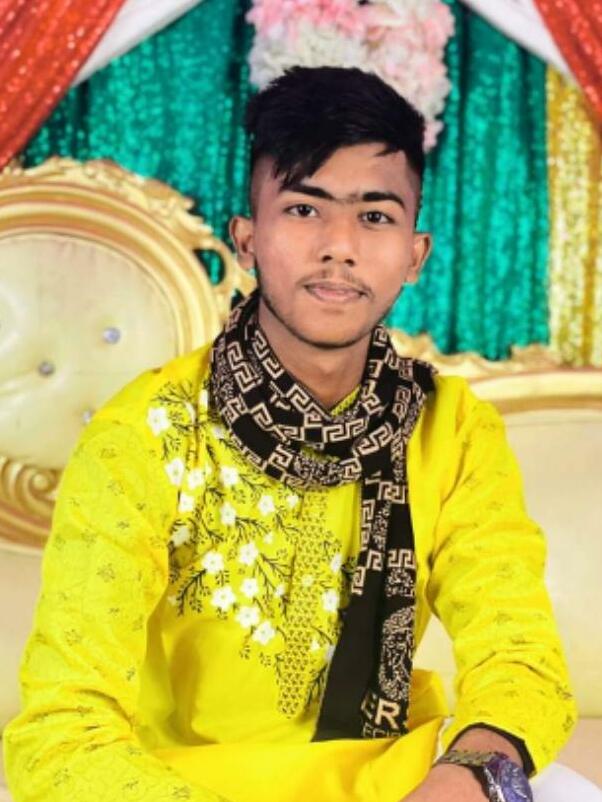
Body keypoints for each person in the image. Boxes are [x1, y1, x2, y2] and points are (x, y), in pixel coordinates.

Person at [3, 66, 577, 802]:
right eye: (304, 210)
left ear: (415, 254)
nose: (339, 246)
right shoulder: (148, 432)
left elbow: (520, 661)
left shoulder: (451, 427)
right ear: (247, 239)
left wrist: (466, 777)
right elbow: (63, 726)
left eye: (375, 217)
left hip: (396, 781)